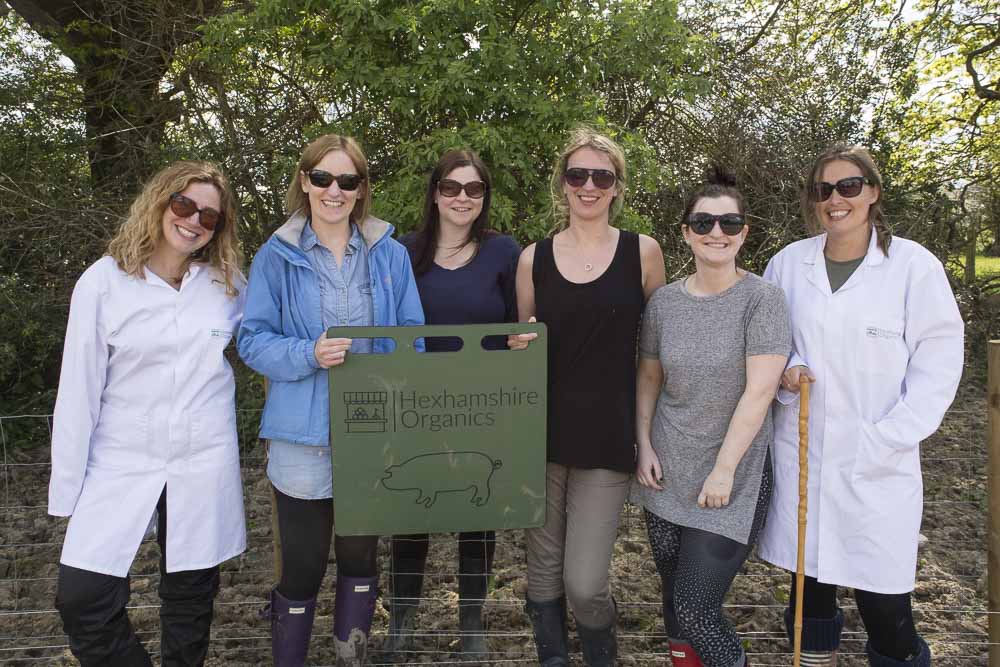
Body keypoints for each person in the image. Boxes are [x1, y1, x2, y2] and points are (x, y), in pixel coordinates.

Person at [758, 143, 964, 667]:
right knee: (808, 603)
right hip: (804, 458)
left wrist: (890, 436)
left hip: (878, 464)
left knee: (887, 610)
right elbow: (770, 342)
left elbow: (938, 362)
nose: (836, 199)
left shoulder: (913, 267)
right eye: (823, 189)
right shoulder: (787, 265)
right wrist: (789, 370)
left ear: (872, 192)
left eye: (848, 186)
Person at [49, 161, 246, 666]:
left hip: (201, 459)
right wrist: (67, 488)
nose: (194, 220)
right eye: (184, 205)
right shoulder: (104, 282)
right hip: (120, 459)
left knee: (190, 602)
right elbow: (77, 391)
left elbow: (267, 339)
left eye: (209, 216)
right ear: (160, 203)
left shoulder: (226, 286)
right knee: (83, 600)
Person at [237, 134, 424, 667]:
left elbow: (412, 334)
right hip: (303, 437)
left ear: (361, 188)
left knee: (360, 558)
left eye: (347, 180)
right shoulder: (276, 256)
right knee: (302, 566)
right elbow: (252, 341)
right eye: (322, 178)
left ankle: (351, 656)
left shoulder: (389, 254)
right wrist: (309, 353)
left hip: (372, 433)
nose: (334, 190)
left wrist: (388, 371)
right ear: (305, 181)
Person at [515, 127, 666, 666]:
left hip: (608, 436)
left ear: (617, 186)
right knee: (542, 575)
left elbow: (654, 354)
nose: (589, 185)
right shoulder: (533, 259)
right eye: (578, 174)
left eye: (602, 176)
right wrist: (518, 345)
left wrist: (647, 435)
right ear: (563, 183)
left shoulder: (643, 253)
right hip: (543, 437)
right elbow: (524, 344)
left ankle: (603, 654)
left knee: (584, 582)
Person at [631, 168, 790, 667]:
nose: (716, 232)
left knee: (697, 608)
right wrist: (644, 443)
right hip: (666, 470)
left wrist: (723, 469)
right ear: (686, 233)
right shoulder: (664, 303)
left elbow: (760, 391)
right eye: (703, 223)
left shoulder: (762, 299)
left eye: (728, 223)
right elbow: (649, 377)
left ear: (744, 232)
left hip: (732, 476)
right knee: (674, 603)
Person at [386, 149, 522, 657]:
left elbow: (518, 323)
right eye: (451, 187)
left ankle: (471, 624)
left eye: (474, 189)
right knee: (410, 513)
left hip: (482, 405)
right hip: (415, 406)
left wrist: (521, 342)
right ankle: (401, 624)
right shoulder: (403, 252)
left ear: (484, 197)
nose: (462, 198)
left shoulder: (503, 252)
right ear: (435, 192)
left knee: (476, 515)